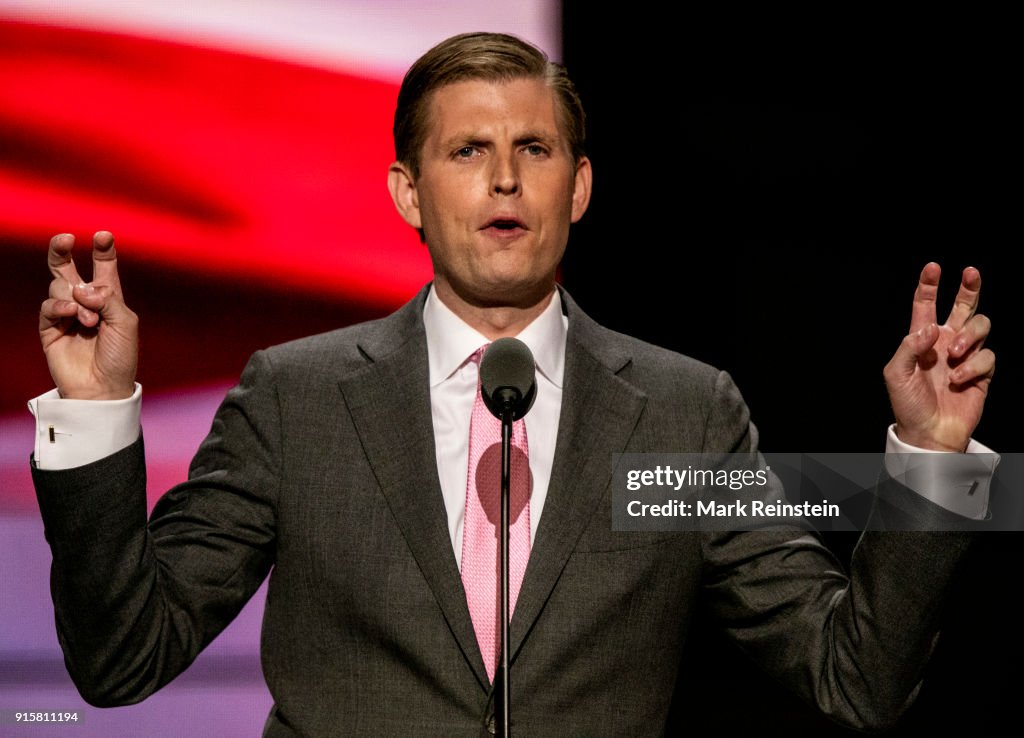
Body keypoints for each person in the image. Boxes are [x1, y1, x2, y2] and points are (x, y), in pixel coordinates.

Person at [31, 33, 996, 737]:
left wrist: (932, 462)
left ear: (577, 187)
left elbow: (855, 678)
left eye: (532, 150)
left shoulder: (682, 411)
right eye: (466, 152)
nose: (504, 181)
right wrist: (94, 411)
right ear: (409, 192)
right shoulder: (298, 399)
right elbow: (122, 662)